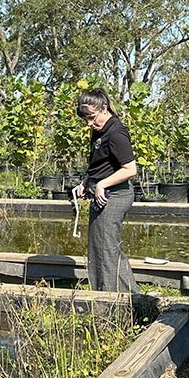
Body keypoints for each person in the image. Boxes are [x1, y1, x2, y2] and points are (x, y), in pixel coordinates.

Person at [74, 88, 139, 294]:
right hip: (102, 195)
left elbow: (130, 169)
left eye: (92, 118)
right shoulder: (99, 131)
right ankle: (104, 292)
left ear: (104, 109)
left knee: (107, 249)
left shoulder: (115, 132)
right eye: (85, 119)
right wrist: (86, 183)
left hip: (116, 195)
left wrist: (102, 184)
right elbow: (99, 165)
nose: (89, 123)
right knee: (97, 247)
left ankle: (117, 300)